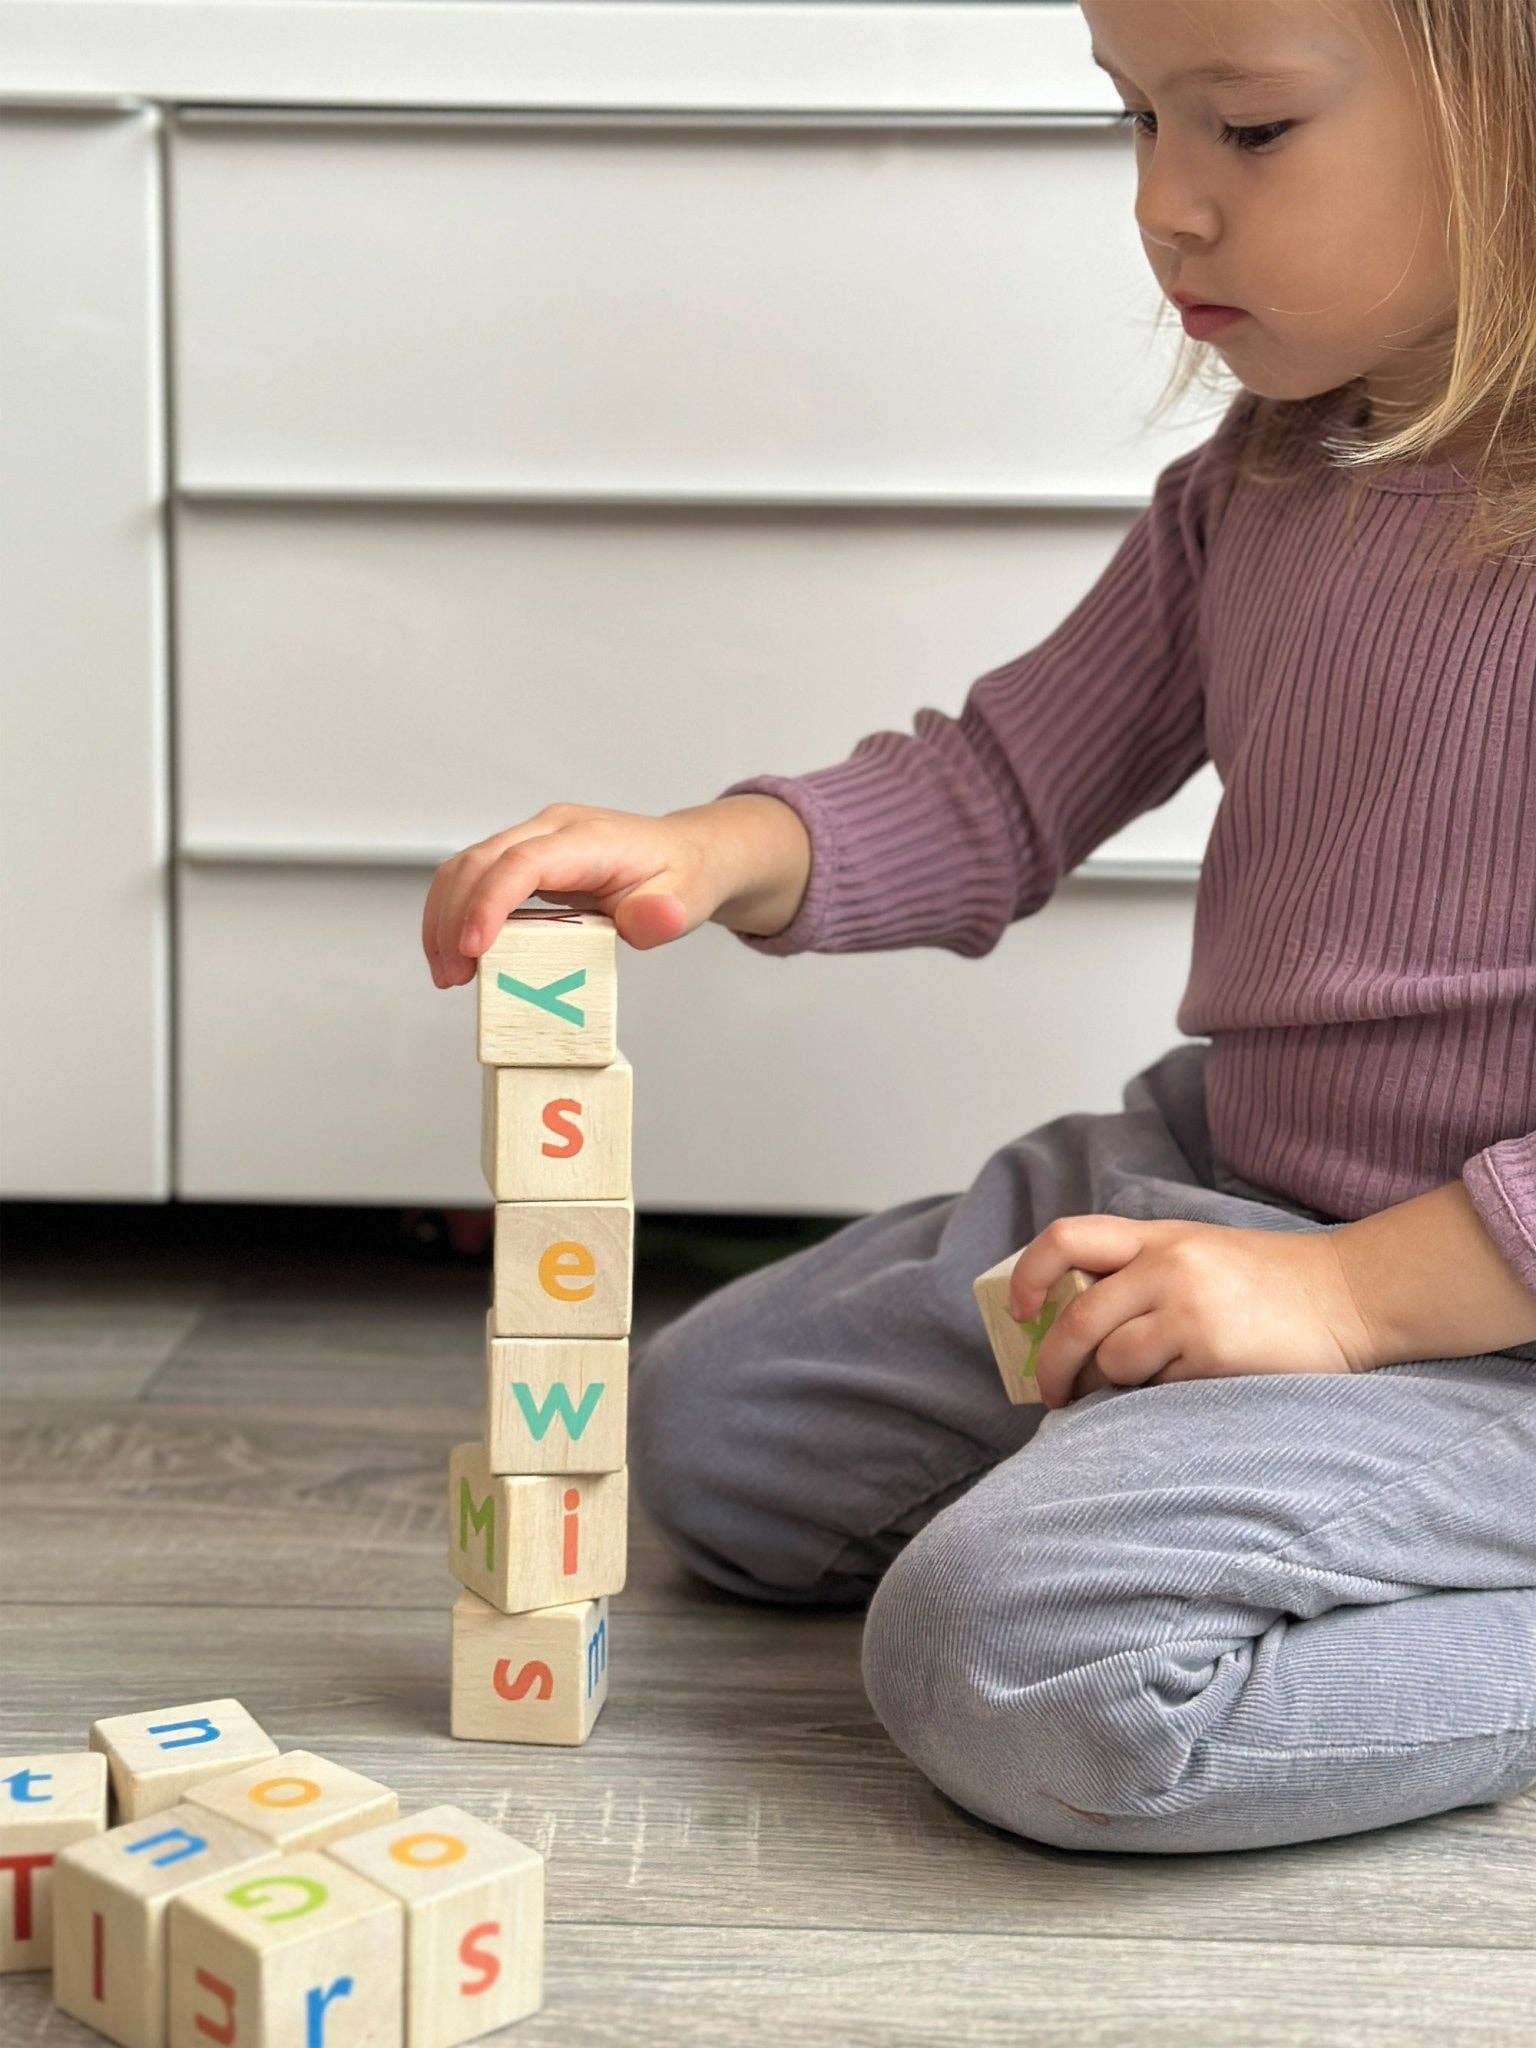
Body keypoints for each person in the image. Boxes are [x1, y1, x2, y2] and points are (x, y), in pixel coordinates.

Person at [420, 0, 1536, 1853]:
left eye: (1246, 130)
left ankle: (1282, 1516)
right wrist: (715, 846)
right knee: (713, 1447)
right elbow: (1002, 786)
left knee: (1019, 1668)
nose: (1164, 206)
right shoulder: (1257, 492)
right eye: (1135, 122)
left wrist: (1345, 1299)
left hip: (1486, 1302)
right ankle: (1203, 1471)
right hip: (1235, 1174)